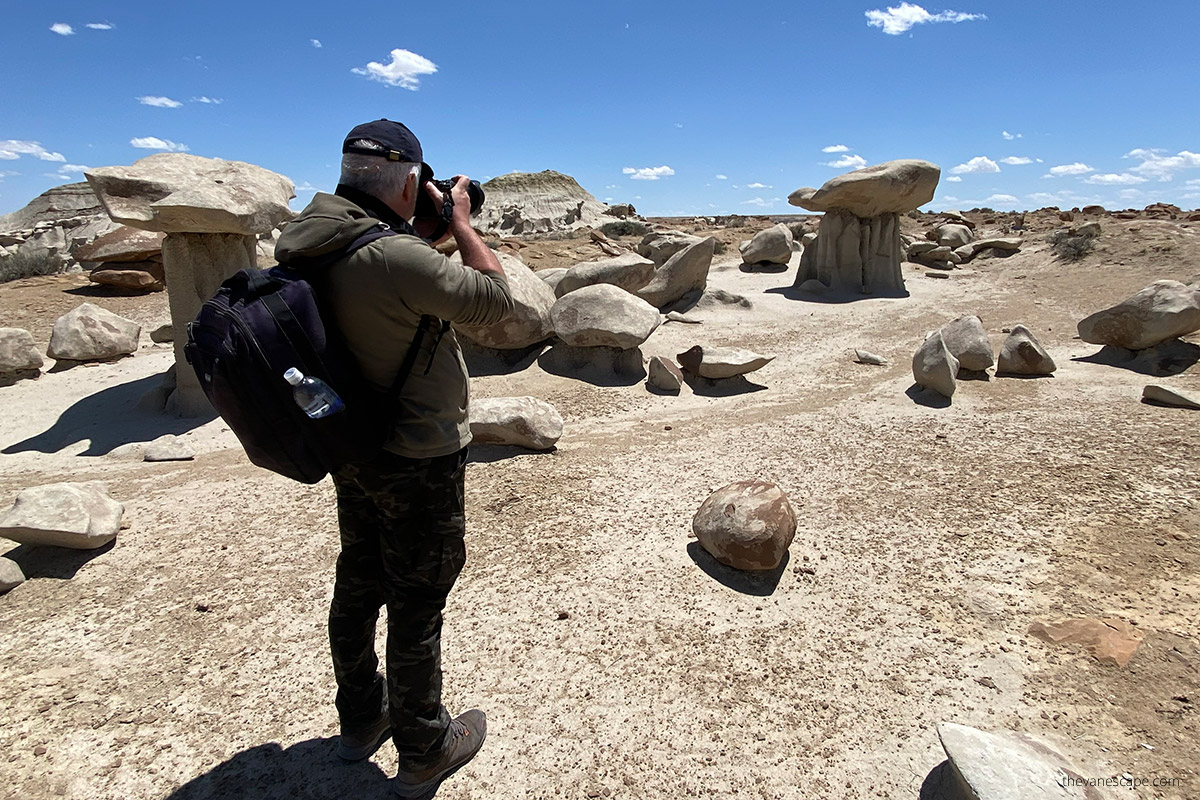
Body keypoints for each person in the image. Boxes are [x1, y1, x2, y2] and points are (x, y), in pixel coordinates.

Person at [274, 119, 512, 798]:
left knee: (358, 580)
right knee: (418, 600)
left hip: (351, 443)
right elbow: (496, 305)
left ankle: (360, 719)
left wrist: (417, 235)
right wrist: (462, 224)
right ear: (410, 180)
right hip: (419, 451)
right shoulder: (397, 259)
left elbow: (377, 287)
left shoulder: (310, 240)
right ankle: (425, 747)